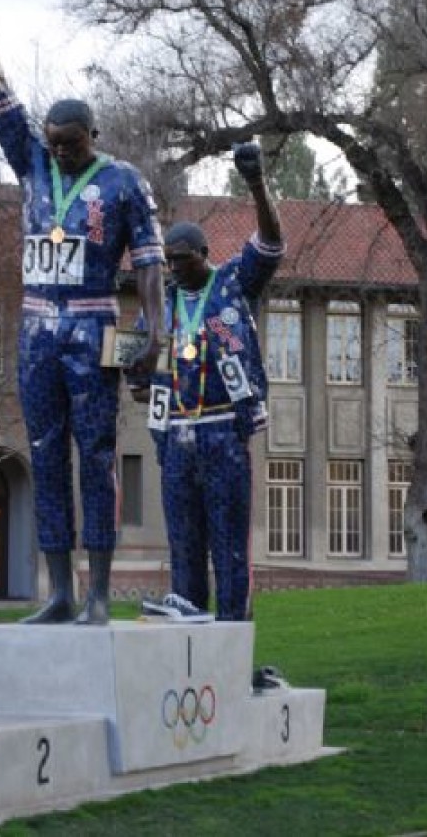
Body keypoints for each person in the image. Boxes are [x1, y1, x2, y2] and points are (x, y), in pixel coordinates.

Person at [0, 0, 164, 625]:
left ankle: (99, 592)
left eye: (70, 144)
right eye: (53, 144)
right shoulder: (33, 163)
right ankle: (59, 591)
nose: (60, 153)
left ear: (92, 136)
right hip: (38, 326)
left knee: (96, 454)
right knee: (44, 452)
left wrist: (151, 334)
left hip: (97, 322)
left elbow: (152, 267)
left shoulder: (126, 183)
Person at [139, 142, 283, 622]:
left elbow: (269, 245)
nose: (174, 268)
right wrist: (125, 372)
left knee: (228, 541)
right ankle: (188, 620)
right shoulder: (162, 303)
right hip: (175, 434)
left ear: (204, 254)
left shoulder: (232, 284)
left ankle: (232, 630)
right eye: (168, 261)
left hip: (223, 429)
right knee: (183, 537)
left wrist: (257, 185)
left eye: (182, 259)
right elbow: (132, 354)